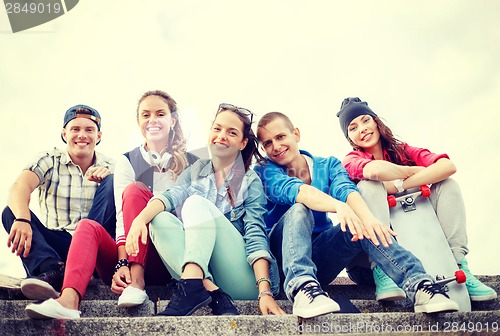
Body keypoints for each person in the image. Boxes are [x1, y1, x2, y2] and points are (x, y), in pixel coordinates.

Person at [254, 111, 460, 318]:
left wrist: (369, 220)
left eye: (280, 137)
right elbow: (297, 191)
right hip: (282, 264)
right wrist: (339, 207)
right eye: (268, 143)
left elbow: (346, 190)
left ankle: (419, 284)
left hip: (319, 258)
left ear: (296, 134)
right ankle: (302, 289)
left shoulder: (329, 164)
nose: (276, 147)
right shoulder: (264, 170)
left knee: (362, 221)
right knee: (300, 208)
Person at [24, 90, 198, 319]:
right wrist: (121, 263)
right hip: (129, 255)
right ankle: (68, 300)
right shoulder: (127, 160)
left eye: (160, 113)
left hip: (170, 260)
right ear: (139, 122)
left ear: (172, 120)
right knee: (87, 225)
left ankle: (137, 282)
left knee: (136, 191)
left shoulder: (193, 163)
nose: (152, 120)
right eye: (146, 115)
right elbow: (121, 217)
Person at [126, 103, 286, 317]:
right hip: (212, 279)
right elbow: (169, 197)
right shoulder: (195, 171)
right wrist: (139, 220)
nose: (221, 136)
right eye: (217, 129)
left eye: (231, 132)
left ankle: (192, 285)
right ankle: (208, 290)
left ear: (242, 143)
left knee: (195, 203)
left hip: (244, 280)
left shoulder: (250, 180)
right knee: (159, 219)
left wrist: (264, 291)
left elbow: (256, 234)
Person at [336, 97, 497, 302]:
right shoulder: (351, 159)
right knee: (369, 185)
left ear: (376, 121)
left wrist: (400, 184)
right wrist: (415, 173)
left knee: (447, 184)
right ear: (349, 137)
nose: (362, 129)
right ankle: (383, 272)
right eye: (353, 127)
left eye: (366, 120)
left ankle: (459, 266)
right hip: (365, 264)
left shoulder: (402, 150)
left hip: (417, 245)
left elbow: (447, 167)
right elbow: (374, 171)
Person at [2, 104, 115, 301]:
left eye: (89, 130)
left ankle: (86, 273)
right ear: (64, 133)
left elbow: (131, 210)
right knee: (10, 212)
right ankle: (51, 271)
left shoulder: (112, 166)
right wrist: (22, 219)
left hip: (95, 248)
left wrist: (111, 182)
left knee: (115, 182)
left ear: (99, 136)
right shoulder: (50, 159)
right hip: (59, 245)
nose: (82, 135)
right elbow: (19, 187)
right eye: (75, 129)